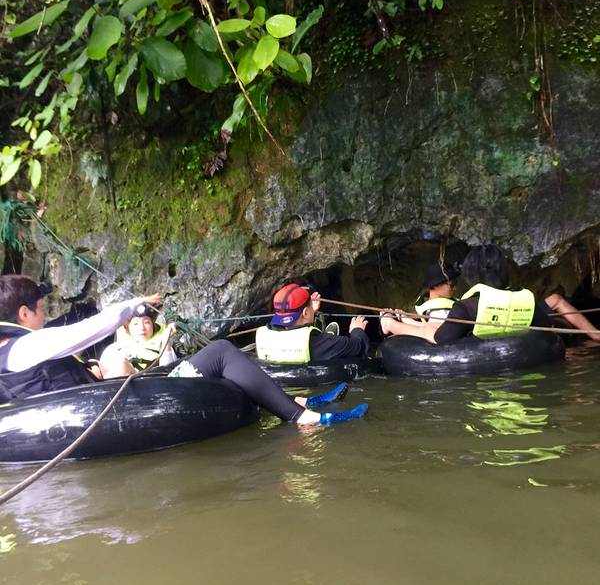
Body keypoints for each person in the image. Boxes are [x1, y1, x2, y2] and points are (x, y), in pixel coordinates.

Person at [0, 275, 367, 425]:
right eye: (40, 308)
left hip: (101, 401)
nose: (44, 314)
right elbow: (85, 331)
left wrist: (90, 371)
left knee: (202, 362)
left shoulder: (6, 353)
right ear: (23, 313)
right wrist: (132, 305)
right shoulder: (25, 345)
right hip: (113, 408)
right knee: (220, 351)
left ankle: (295, 401)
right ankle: (302, 417)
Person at [380, 244, 552, 344]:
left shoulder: (466, 308)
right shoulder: (527, 301)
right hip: (521, 361)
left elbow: (438, 338)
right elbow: (548, 329)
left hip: (479, 371)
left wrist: (395, 325)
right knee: (434, 326)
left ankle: (389, 324)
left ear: (471, 275)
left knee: (432, 332)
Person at [255, 283, 369, 363]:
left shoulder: (262, 335)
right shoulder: (323, 342)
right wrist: (357, 330)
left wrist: (311, 312)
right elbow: (360, 347)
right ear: (305, 312)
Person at [99, 303, 177, 375]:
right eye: (135, 324)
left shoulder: (164, 343)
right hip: (123, 382)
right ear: (127, 327)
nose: (142, 328)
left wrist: (166, 345)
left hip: (155, 382)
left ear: (153, 326)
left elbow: (169, 372)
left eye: (146, 322)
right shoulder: (114, 349)